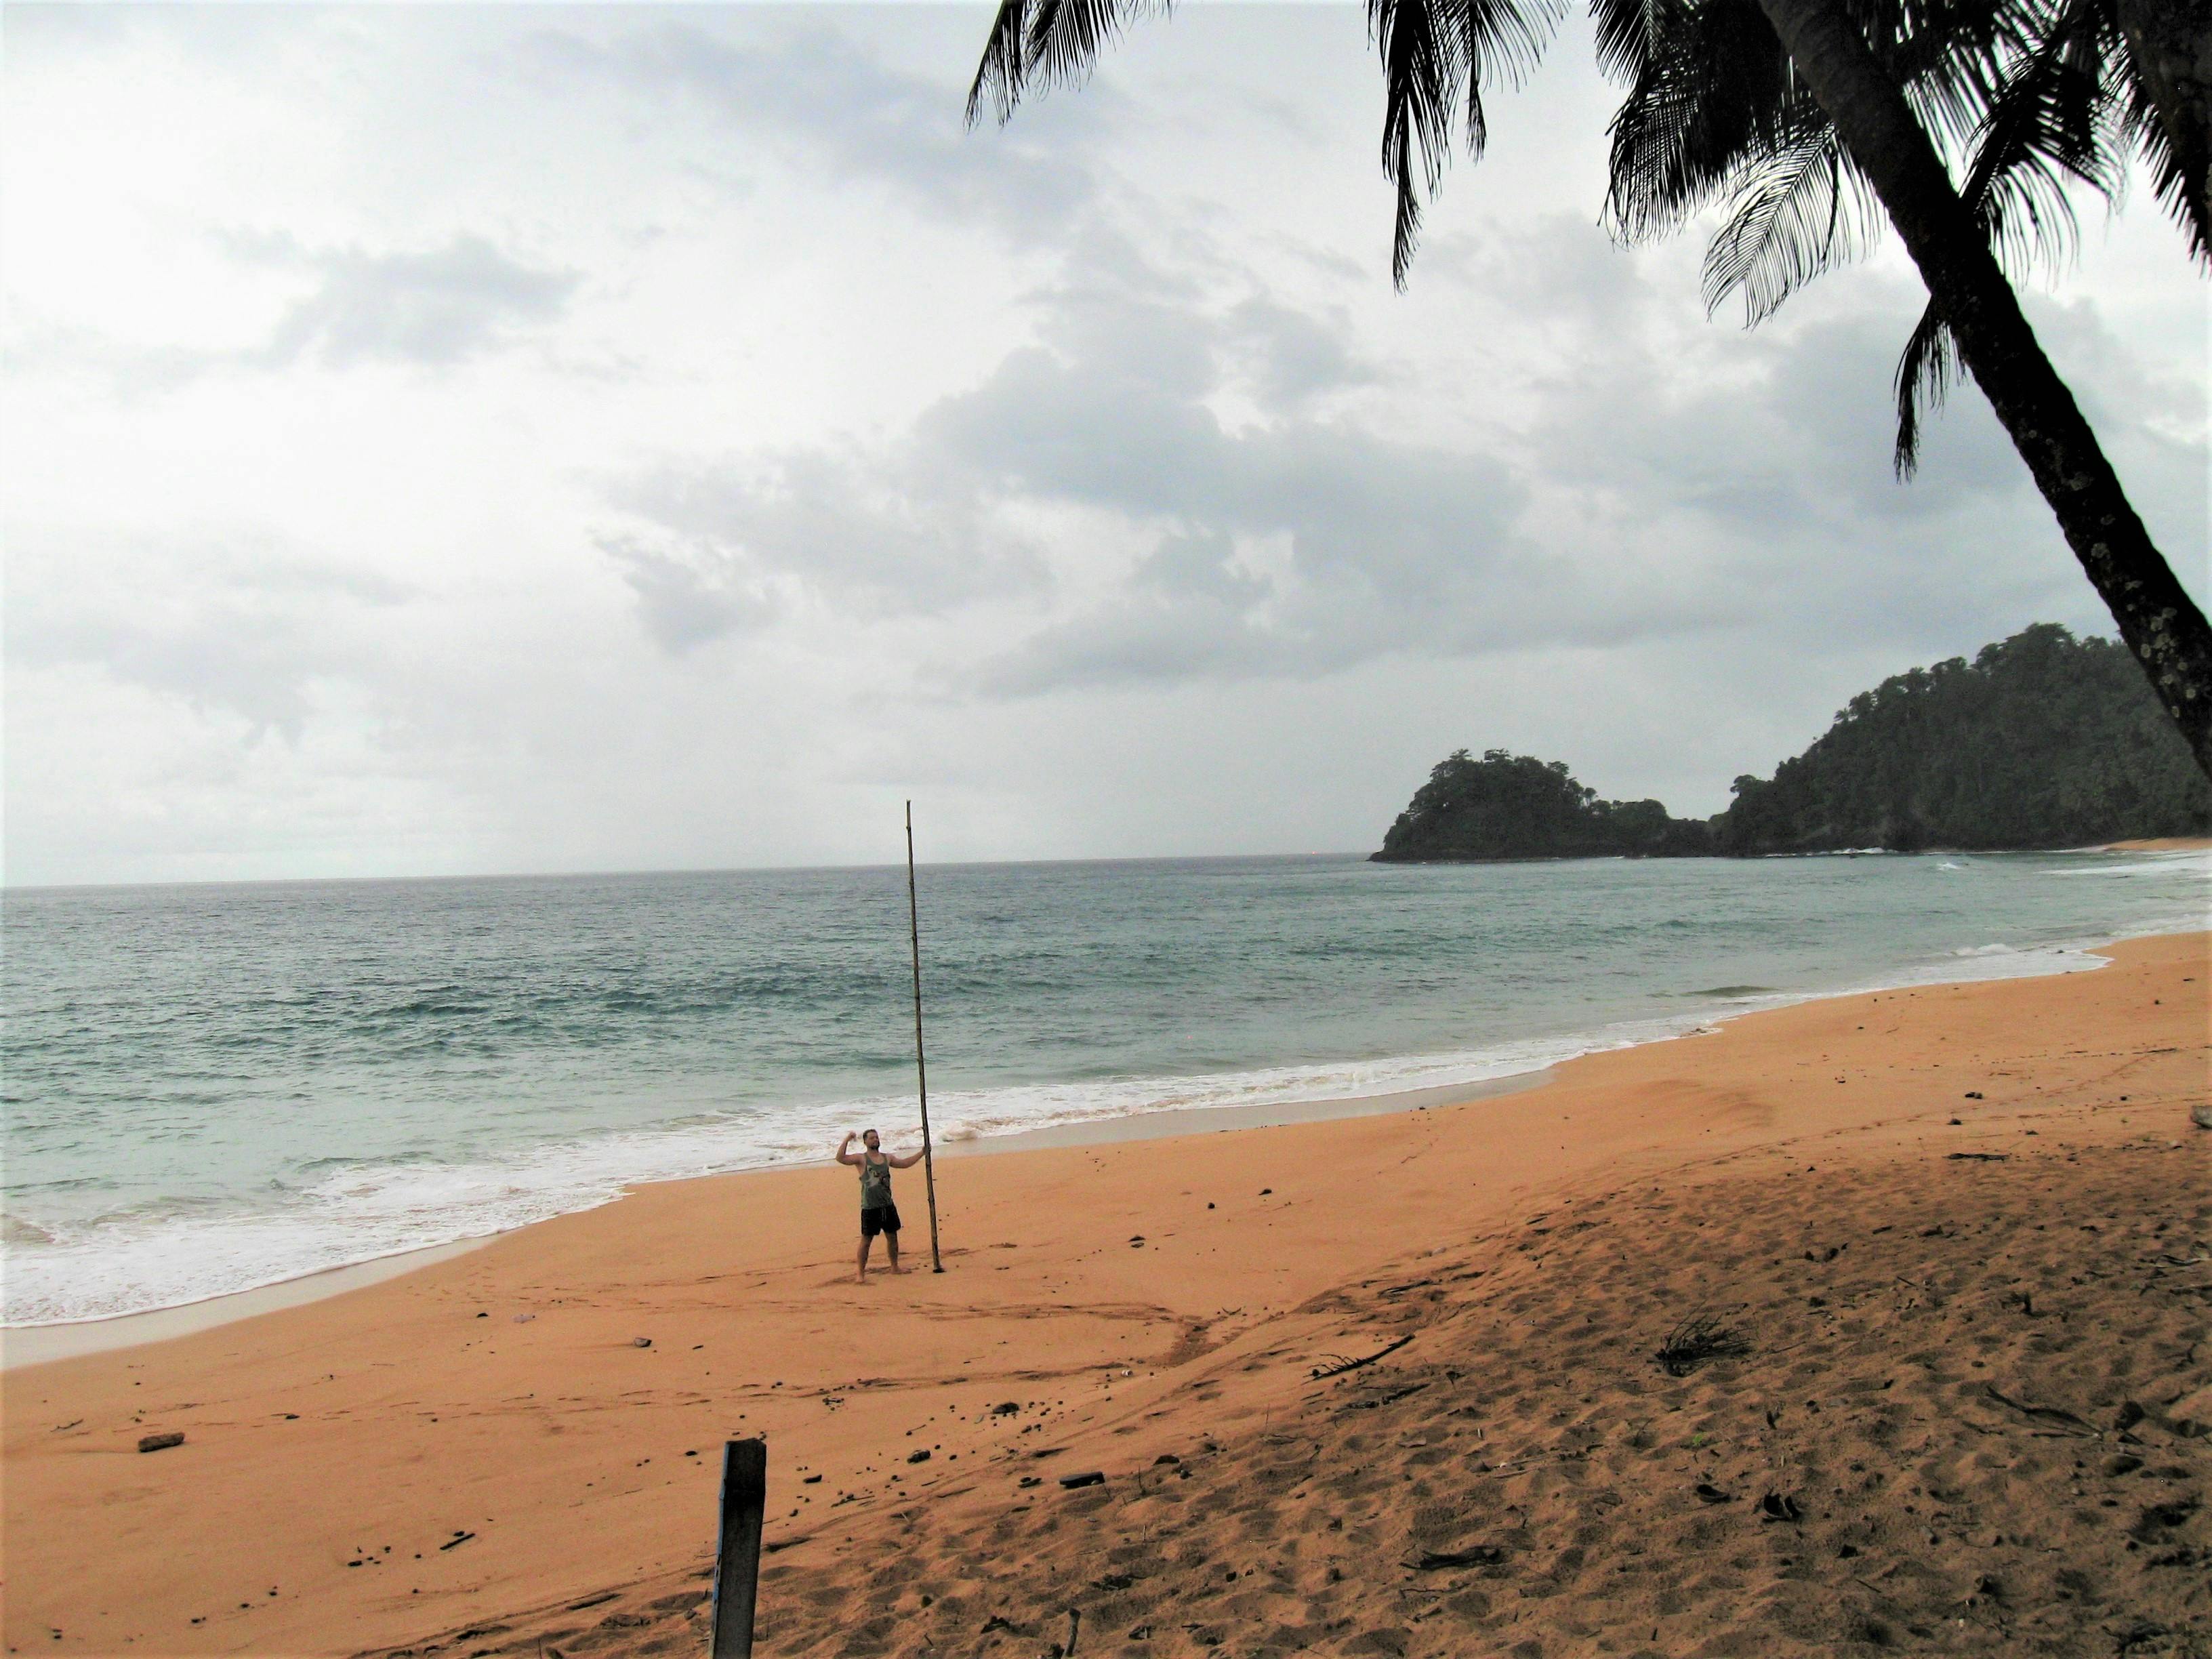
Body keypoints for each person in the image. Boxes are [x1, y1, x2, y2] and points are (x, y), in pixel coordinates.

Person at [836, 1129, 924, 1281]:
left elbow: (905, 1164)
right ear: (865, 1142)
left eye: (877, 1137)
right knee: (866, 1240)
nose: (875, 1140)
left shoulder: (887, 1158)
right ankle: (860, 1274)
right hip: (870, 1207)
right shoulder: (861, 1159)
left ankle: (895, 1267)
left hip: (887, 1205)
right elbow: (840, 1158)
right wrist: (848, 1139)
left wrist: (922, 1153)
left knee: (892, 1237)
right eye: (872, 1138)